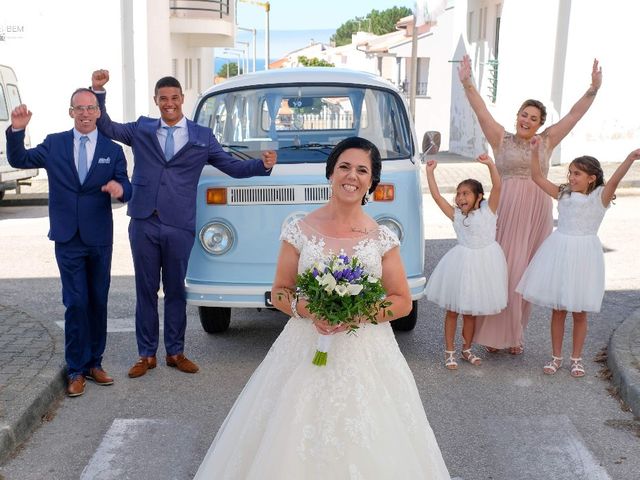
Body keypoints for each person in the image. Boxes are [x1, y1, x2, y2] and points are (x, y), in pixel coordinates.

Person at [193, 137, 451, 479]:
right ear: (331, 173)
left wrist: (359, 314)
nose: (352, 176)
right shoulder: (299, 230)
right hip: (304, 347)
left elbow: (401, 301)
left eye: (362, 170)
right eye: (344, 166)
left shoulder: (381, 238)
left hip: (367, 353)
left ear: (371, 181)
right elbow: (281, 291)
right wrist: (310, 310)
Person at [90, 69, 277, 378]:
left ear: (182, 99)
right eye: (163, 99)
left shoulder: (202, 137)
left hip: (179, 223)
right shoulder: (141, 129)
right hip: (144, 221)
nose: (169, 104)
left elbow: (231, 167)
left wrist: (262, 165)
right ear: (156, 101)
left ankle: (175, 352)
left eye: (174, 98)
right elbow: (106, 125)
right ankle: (146, 354)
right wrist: (98, 92)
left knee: (176, 290)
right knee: (146, 290)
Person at [458, 54, 603, 354]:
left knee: (527, 273)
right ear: (518, 116)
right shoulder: (501, 138)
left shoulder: (546, 141)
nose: (526, 120)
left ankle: (515, 333)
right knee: (505, 269)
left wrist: (593, 89)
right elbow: (480, 110)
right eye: (523, 114)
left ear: (540, 124)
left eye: (533, 118)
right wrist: (467, 82)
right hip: (508, 206)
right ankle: (496, 335)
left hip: (538, 210)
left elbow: (574, 115)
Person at [5, 89, 132, 397]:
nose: (86, 113)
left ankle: (94, 364)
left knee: (97, 301)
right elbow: (18, 158)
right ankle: (75, 369)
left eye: (91, 108)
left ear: (98, 112)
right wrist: (17, 130)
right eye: (80, 108)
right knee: (75, 303)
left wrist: (120, 189)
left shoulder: (112, 150)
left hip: (98, 237)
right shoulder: (55, 143)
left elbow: (128, 188)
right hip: (67, 237)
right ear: (71, 112)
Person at [517, 136, 640, 377]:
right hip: (559, 252)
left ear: (592, 178)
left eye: (578, 174)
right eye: (571, 173)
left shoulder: (600, 197)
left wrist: (630, 158)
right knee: (558, 309)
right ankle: (556, 357)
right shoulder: (563, 194)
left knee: (579, 311)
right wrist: (534, 152)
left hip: (584, 256)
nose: (572, 178)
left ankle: (576, 358)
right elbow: (538, 178)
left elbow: (615, 180)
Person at [425, 154, 507, 369]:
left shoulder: (489, 210)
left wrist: (490, 164)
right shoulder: (456, 216)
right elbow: (436, 197)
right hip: (460, 264)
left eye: (465, 193)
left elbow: (498, 185)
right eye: (458, 194)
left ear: (479, 196)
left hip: (484, 265)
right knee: (453, 311)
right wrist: (430, 172)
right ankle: (450, 351)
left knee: (471, 312)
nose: (460, 198)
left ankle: (467, 349)